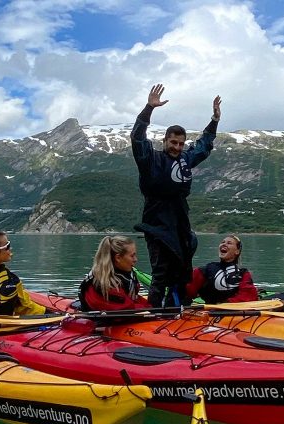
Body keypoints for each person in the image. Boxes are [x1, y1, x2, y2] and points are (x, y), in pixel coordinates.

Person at [131, 83, 221, 308]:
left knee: (181, 275)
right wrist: (148, 109)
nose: (177, 147)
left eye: (181, 143)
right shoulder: (151, 160)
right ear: (164, 141)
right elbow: (137, 138)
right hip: (157, 224)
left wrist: (214, 120)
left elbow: (203, 145)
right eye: (173, 142)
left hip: (180, 223)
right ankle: (152, 315)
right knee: (160, 274)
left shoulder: (185, 160)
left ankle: (175, 311)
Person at [78, 235, 151, 311]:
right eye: (132, 256)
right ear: (118, 258)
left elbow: (133, 299)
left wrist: (151, 306)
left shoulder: (126, 274)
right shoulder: (105, 284)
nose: (136, 259)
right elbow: (125, 308)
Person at [185, 234, 258, 304]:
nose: (224, 244)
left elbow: (249, 296)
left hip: (233, 311)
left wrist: (225, 304)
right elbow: (189, 290)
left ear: (237, 251)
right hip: (211, 312)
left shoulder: (243, 273)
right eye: (222, 242)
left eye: (229, 243)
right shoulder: (205, 270)